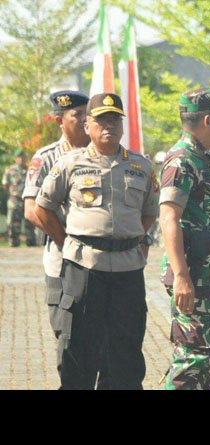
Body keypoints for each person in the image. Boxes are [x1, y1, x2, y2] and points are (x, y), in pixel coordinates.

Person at [35, 93, 159, 389]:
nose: (109, 126)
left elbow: (149, 212)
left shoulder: (141, 166)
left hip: (128, 270)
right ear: (87, 125)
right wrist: (66, 243)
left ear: (122, 125)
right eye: (102, 120)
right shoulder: (69, 163)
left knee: (126, 350)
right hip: (84, 268)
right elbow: (43, 208)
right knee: (79, 348)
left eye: (115, 119)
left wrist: (133, 241)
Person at [159, 87, 210, 390]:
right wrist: (181, 276)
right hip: (194, 274)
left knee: (209, 358)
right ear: (208, 120)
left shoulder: (205, 158)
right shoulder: (182, 160)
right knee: (192, 359)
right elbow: (169, 218)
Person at [23, 91, 91, 339]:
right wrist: (66, 243)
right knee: (67, 333)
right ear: (59, 121)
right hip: (63, 258)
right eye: (77, 114)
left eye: (87, 113)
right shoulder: (46, 157)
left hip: (100, 259)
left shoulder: (104, 153)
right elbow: (31, 211)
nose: (85, 119)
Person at [3, 150, 36, 246]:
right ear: (16, 159)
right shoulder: (10, 170)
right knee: (13, 223)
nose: (21, 159)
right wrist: (13, 193)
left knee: (30, 222)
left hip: (28, 200)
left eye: (23, 157)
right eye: (19, 157)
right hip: (15, 200)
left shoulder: (30, 170)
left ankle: (31, 242)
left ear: (26, 158)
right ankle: (14, 242)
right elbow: (5, 184)